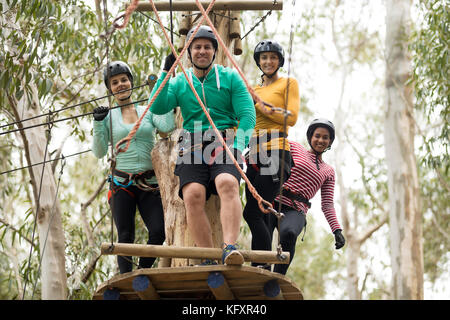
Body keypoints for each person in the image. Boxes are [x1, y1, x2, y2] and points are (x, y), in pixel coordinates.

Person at [149, 25, 256, 265]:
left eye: (207, 47)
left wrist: (237, 147)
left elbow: (248, 116)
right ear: (189, 52)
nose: (202, 51)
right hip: (192, 142)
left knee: (227, 183)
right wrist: (167, 71)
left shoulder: (229, 77)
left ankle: (230, 248)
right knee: (193, 195)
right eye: (196, 47)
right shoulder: (180, 81)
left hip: (224, 140)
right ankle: (207, 256)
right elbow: (157, 106)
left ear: (214, 51)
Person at [92, 61, 175, 274]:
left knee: (159, 232)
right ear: (110, 88)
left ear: (131, 82)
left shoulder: (147, 109)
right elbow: (100, 152)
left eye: (124, 80)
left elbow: (166, 126)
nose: (120, 84)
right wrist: (98, 123)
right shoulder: (108, 116)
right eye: (115, 82)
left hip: (149, 182)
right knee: (125, 236)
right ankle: (126, 277)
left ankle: (142, 271)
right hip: (122, 183)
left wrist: (160, 97)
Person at [243, 39, 300, 269]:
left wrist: (261, 104)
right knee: (261, 214)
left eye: (273, 58)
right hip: (254, 154)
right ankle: (259, 266)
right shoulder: (253, 90)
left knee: (253, 211)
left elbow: (291, 117)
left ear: (280, 61)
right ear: (258, 62)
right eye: (264, 58)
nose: (268, 61)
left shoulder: (288, 83)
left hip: (276, 150)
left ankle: (263, 264)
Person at [269, 118, 346, 275]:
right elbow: (272, 149)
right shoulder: (295, 147)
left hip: (296, 209)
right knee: (263, 234)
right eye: (317, 135)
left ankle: (277, 277)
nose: (321, 140)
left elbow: (327, 204)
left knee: (289, 233)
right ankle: (260, 268)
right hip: (273, 200)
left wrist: (336, 230)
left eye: (326, 137)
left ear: (330, 141)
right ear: (310, 136)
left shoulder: (328, 171)